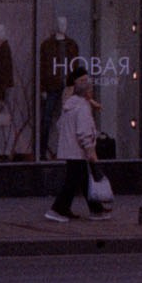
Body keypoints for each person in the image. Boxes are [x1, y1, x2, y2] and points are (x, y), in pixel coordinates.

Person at [44, 64, 108, 222]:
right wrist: (90, 150)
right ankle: (57, 210)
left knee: (82, 179)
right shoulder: (82, 107)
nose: (90, 86)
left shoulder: (70, 105)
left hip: (70, 149)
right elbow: (83, 132)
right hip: (77, 151)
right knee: (72, 182)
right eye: (86, 82)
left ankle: (94, 209)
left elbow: (61, 125)